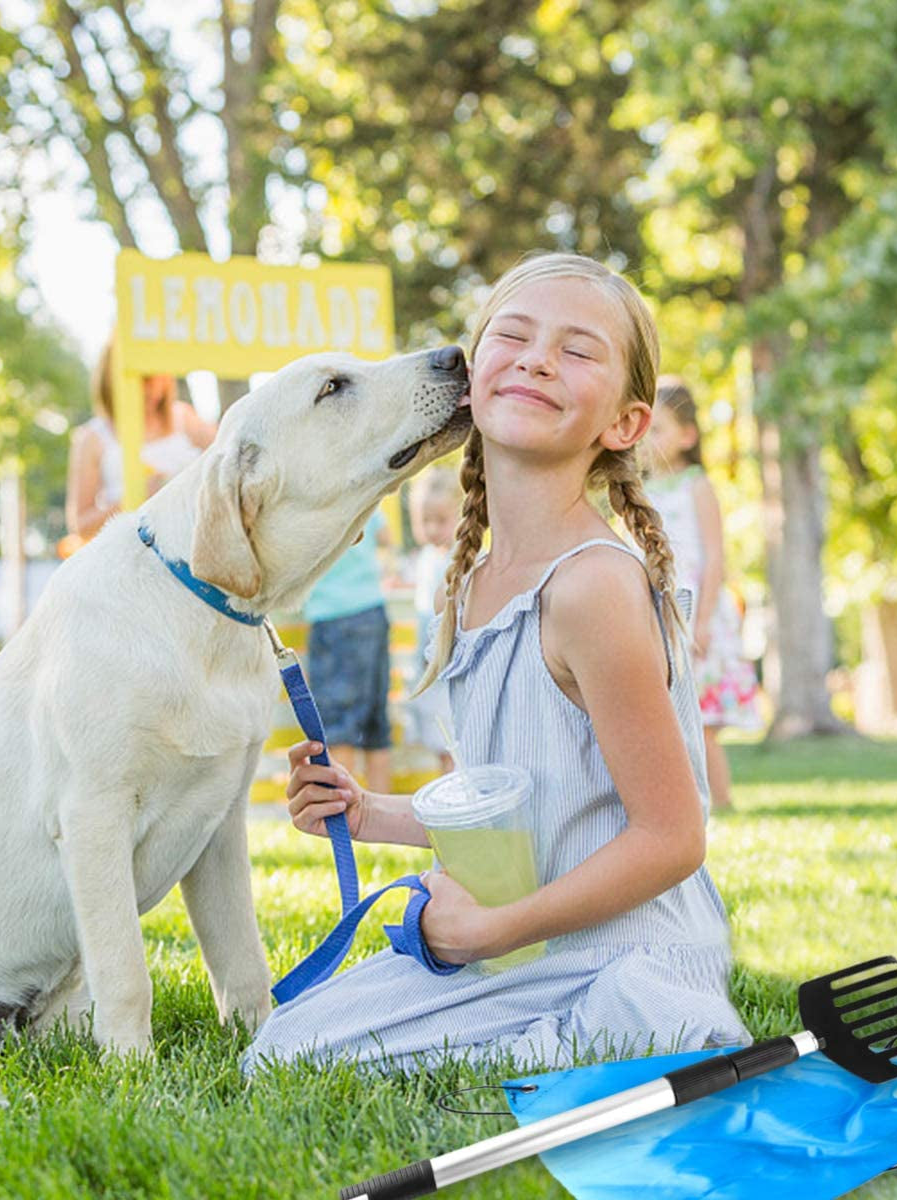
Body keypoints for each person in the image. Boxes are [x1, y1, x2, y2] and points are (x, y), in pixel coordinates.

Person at [243, 252, 748, 1075]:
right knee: (285, 1048)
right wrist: (370, 812)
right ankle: (574, 1042)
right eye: (512, 336)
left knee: (306, 1057)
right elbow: (521, 808)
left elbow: (672, 838)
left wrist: (491, 930)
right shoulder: (471, 584)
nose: (539, 357)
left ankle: (649, 1029)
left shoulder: (593, 588)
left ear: (624, 423)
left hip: (627, 948)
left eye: (578, 350)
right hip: (532, 941)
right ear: (472, 380)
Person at [645, 378, 761, 810]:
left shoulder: (697, 485)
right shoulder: (640, 493)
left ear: (687, 436)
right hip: (663, 612)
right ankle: (682, 803)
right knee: (668, 718)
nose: (648, 440)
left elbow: (715, 557)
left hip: (699, 614)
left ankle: (723, 801)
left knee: (702, 720)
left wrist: (706, 619)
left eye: (658, 429)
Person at [64, 339, 218, 543]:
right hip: (133, 551)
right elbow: (81, 527)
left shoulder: (184, 418)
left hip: (193, 541)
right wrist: (137, 497)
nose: (152, 387)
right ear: (114, 377)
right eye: (143, 378)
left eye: (158, 375)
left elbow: (226, 457)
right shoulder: (92, 438)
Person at [302, 509, 395, 793]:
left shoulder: (310, 502)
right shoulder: (361, 490)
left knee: (338, 725)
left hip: (333, 615)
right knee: (375, 724)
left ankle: (340, 816)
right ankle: (382, 818)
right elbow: (385, 536)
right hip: (372, 609)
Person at [402, 466, 459, 775]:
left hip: (448, 667)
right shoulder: (427, 558)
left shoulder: (460, 559)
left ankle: (460, 802)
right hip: (428, 668)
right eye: (426, 521)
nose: (433, 528)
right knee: (439, 740)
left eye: (441, 520)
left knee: (453, 741)